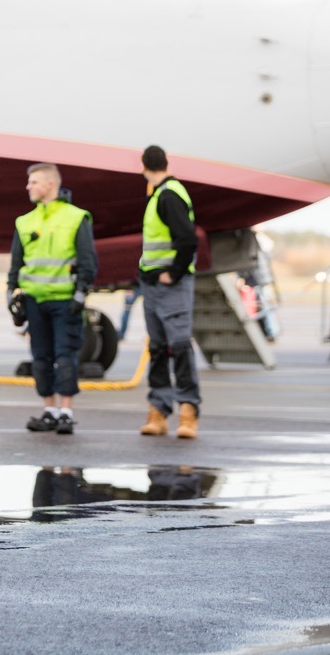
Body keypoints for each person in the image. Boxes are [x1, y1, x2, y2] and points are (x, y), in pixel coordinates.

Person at [7, 163, 97, 435]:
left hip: (64, 300)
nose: (28, 187)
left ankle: (66, 412)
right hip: (34, 301)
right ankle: (50, 410)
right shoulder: (25, 222)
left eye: (33, 182)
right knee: (41, 357)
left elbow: (87, 260)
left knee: (66, 354)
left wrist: (81, 293)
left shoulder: (75, 217)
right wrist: (10, 295)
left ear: (49, 185)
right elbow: (16, 263)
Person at [136, 145, 201, 439]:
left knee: (179, 347)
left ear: (144, 167)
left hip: (170, 286)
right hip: (153, 285)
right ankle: (159, 411)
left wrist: (172, 273)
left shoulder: (168, 195)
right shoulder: (159, 194)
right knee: (159, 348)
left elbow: (188, 239)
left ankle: (187, 413)